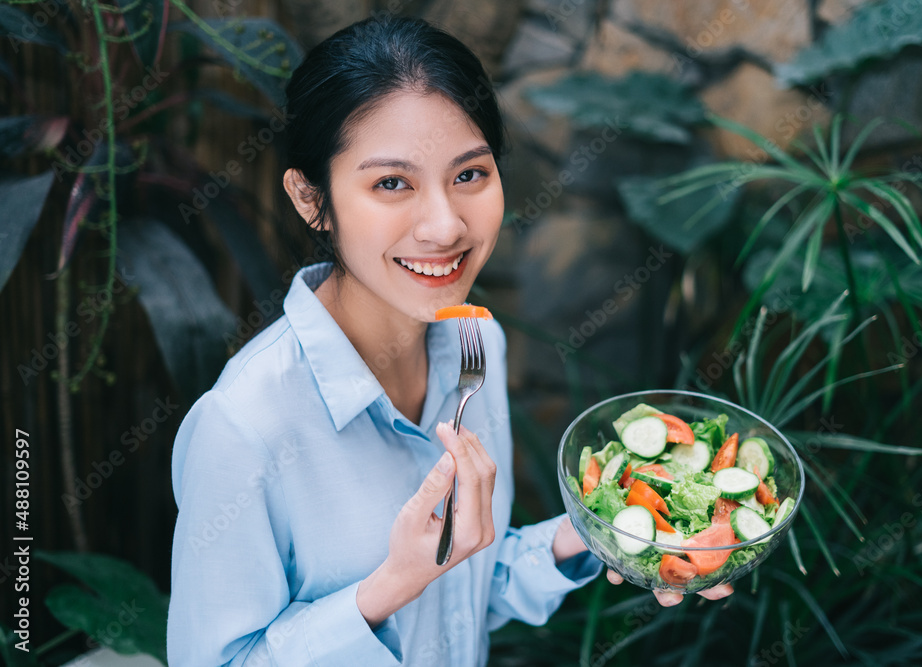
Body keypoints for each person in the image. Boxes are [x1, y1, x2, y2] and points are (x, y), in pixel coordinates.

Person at [167, 16, 730, 666]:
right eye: (391, 183)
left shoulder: (471, 344)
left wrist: (602, 533)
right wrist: (385, 589)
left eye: (469, 175)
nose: (444, 225)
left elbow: (465, 589)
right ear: (310, 198)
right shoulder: (242, 427)